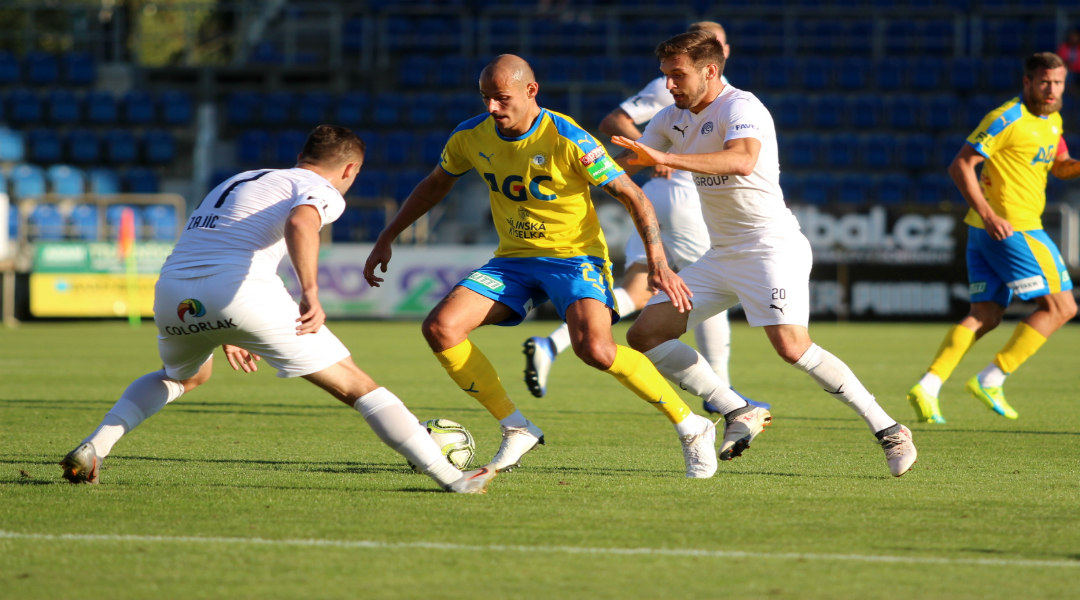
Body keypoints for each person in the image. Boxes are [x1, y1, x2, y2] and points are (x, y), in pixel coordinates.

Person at [59, 125, 496, 494]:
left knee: (184, 376)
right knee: (357, 387)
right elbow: (301, 222)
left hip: (174, 292)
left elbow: (215, 246)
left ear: (300, 156)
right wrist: (310, 291)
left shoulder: (242, 180)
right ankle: (451, 477)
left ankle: (96, 447)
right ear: (350, 170)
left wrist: (225, 326)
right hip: (242, 291)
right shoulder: (318, 188)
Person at [364, 54, 724, 479]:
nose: (493, 109)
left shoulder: (569, 138)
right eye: (485, 99)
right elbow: (434, 185)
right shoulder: (469, 136)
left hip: (575, 259)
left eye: (501, 98)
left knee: (596, 349)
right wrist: (388, 235)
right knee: (441, 328)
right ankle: (516, 427)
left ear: (531, 91)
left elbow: (633, 195)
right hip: (513, 260)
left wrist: (659, 263)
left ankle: (692, 426)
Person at [614, 31, 917, 477]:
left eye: (677, 75)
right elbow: (632, 163)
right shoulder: (670, 118)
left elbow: (741, 160)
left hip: (771, 247)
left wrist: (666, 158)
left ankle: (890, 429)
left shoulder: (742, 106)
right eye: (665, 76)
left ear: (709, 71)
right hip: (721, 255)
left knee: (791, 347)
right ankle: (738, 409)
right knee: (644, 336)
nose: (670, 85)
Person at [523, 21, 768, 416]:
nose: (717, 49)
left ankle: (554, 342)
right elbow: (614, 121)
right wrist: (654, 152)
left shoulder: (718, 93)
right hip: (685, 197)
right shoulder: (676, 85)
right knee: (703, 293)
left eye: (720, 43)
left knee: (639, 292)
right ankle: (723, 394)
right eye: (711, 42)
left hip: (652, 197)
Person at [907, 52, 1079, 424]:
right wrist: (989, 214)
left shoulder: (1052, 119)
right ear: (1028, 82)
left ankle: (929, 385)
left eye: (1058, 83)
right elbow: (961, 164)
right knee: (1062, 308)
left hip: (987, 231)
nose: (1052, 90)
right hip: (1014, 228)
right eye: (1045, 82)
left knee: (984, 315)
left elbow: (1062, 166)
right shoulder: (1007, 118)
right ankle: (992, 377)